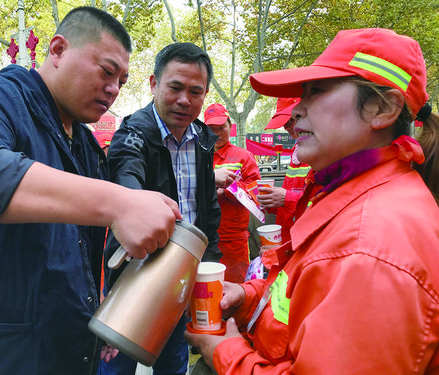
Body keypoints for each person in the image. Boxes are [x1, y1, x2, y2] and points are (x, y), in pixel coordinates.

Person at [0, 7, 182, 375]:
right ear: (57, 50)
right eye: (106, 71)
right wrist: (118, 202)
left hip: (69, 349)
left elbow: (79, 253)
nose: (114, 89)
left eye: (122, 80)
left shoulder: (85, 144)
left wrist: (101, 310)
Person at [185, 28, 439, 374]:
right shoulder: (349, 194)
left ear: (383, 108)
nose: (297, 112)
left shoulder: (372, 247)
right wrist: (250, 298)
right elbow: (306, 297)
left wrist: (225, 352)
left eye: (315, 92)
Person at [100, 42, 221, 375]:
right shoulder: (132, 133)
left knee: (173, 361)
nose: (184, 100)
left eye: (195, 92)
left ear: (205, 93)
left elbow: (207, 208)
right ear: (154, 84)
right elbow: (126, 173)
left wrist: (210, 263)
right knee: (117, 363)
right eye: (175, 87)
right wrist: (135, 203)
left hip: (184, 274)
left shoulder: (203, 139)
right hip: (135, 273)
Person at [204, 103, 261, 283]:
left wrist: (226, 190)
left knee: (236, 290)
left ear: (230, 126)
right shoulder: (197, 156)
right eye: (211, 129)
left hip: (233, 239)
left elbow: (255, 194)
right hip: (201, 236)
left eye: (222, 127)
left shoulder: (243, 157)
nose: (217, 133)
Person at [257, 97, 311, 243]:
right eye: (284, 124)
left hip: (305, 238)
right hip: (288, 237)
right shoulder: (296, 150)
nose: (286, 127)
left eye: (290, 121)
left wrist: (286, 198)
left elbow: (324, 205)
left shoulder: (323, 153)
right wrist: (271, 201)